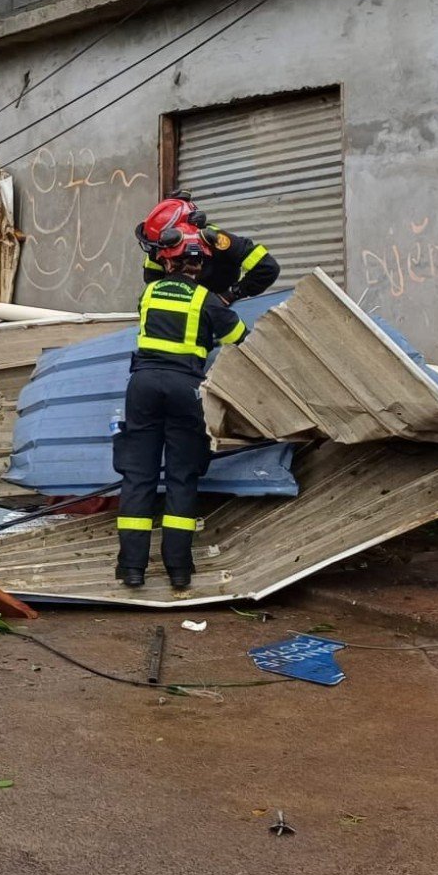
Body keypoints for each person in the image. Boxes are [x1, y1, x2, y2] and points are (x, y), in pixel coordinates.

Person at [114, 216, 248, 591]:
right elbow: (239, 337)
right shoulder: (205, 300)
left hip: (141, 387)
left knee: (138, 476)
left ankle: (132, 569)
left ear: (167, 261)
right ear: (199, 264)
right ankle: (178, 571)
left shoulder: (149, 294)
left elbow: (150, 284)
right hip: (185, 389)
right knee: (181, 477)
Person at [137, 196, 279, 301]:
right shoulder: (156, 252)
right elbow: (153, 288)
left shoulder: (218, 241)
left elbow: (266, 268)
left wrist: (232, 294)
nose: (157, 254)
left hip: (221, 313)